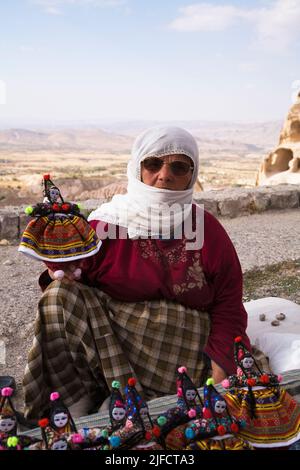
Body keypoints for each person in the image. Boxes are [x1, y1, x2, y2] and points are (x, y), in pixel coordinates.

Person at [23, 126, 267, 420]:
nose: (164, 175)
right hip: (116, 345)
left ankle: (126, 397)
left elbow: (228, 303)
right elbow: (71, 287)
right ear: (137, 167)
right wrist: (58, 270)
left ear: (192, 175)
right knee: (57, 297)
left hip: (183, 351)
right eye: (153, 164)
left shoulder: (208, 232)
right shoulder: (104, 227)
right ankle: (79, 398)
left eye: (179, 167)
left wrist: (220, 372)